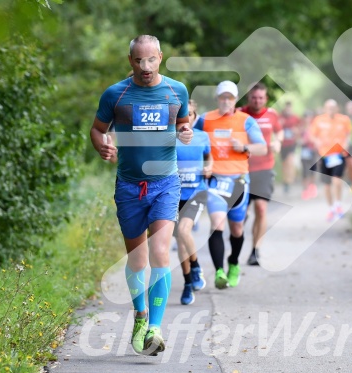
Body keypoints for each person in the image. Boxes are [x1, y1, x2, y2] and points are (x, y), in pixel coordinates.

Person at [90, 35, 192, 356]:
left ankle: (156, 329)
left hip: (165, 183)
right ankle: (140, 315)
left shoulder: (177, 91)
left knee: (161, 252)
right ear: (130, 60)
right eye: (138, 60)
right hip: (130, 186)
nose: (145, 67)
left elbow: (183, 124)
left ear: (160, 57)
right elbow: (97, 129)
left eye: (151, 60)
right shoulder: (116, 94)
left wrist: (185, 132)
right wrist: (102, 144)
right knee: (138, 259)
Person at [195, 80, 266, 288]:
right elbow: (190, 138)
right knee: (217, 223)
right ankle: (219, 272)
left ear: (235, 100)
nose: (226, 101)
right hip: (215, 180)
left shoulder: (246, 121)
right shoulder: (205, 119)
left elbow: (262, 148)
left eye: (230, 98)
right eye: (223, 97)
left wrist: (244, 146)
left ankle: (233, 262)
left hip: (238, 181)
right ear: (217, 98)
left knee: (236, 228)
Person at [239, 83, 283, 266]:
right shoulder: (239, 113)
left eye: (260, 98)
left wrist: (278, 142)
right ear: (249, 97)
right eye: (254, 97)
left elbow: (279, 132)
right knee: (240, 214)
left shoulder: (272, 115)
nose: (257, 100)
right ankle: (238, 240)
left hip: (264, 168)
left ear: (265, 99)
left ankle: (255, 251)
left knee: (261, 209)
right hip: (241, 168)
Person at [174, 100, 211, 305]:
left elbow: (209, 158)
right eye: (181, 115)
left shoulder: (202, 137)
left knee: (183, 232)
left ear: (195, 117)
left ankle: (195, 267)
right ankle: (188, 282)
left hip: (196, 192)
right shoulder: (170, 139)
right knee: (181, 241)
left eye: (188, 114)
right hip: (174, 194)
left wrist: (209, 167)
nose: (184, 119)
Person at [309, 99, 352, 221]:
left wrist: (347, 142)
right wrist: (317, 141)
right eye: (328, 108)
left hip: (339, 154)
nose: (331, 110)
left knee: (337, 181)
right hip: (325, 155)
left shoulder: (344, 120)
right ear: (325, 109)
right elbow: (312, 135)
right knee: (327, 185)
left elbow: (349, 133)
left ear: (337, 108)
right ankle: (331, 208)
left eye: (333, 107)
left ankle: (338, 205)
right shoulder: (319, 120)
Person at [279, 101, 300, 194]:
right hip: (283, 144)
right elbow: (276, 128)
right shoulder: (280, 117)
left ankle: (290, 180)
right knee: (284, 164)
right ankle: (286, 181)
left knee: (290, 161)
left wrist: (296, 132)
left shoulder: (295, 118)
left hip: (292, 144)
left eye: (289, 109)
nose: (288, 110)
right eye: (287, 108)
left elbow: (300, 129)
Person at [299, 110, 318, 200]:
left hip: (313, 151)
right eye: (306, 117)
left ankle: (312, 187)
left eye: (309, 117)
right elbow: (297, 139)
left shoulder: (314, 128)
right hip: (304, 151)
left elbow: (318, 139)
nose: (308, 119)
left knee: (313, 170)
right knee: (305, 171)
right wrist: (302, 141)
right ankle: (305, 190)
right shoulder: (301, 128)